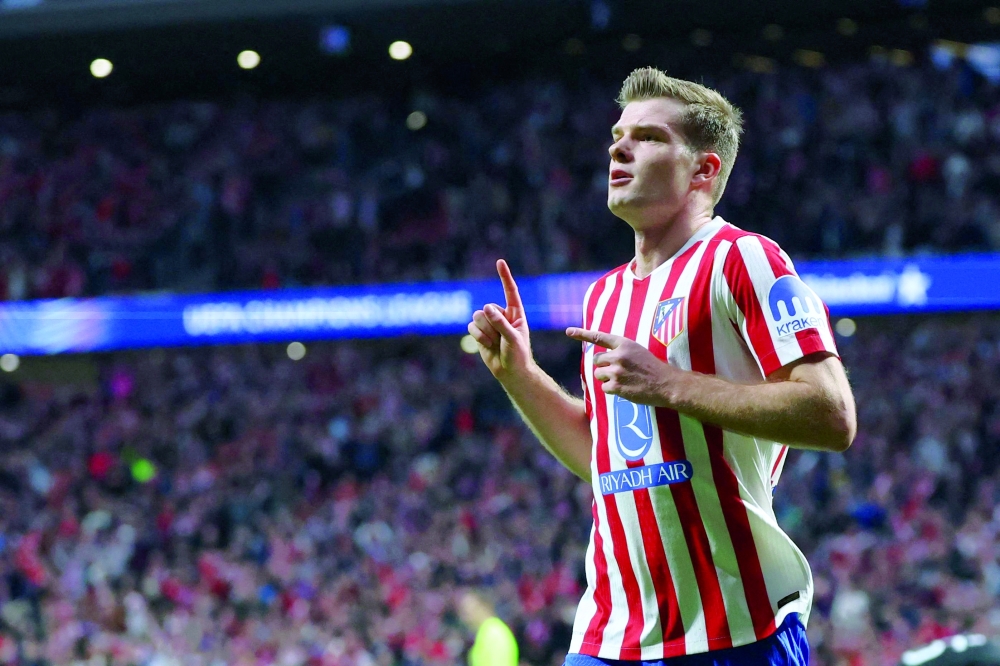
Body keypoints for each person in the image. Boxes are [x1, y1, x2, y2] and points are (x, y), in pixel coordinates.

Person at [466, 67, 856, 666]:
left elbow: (831, 414)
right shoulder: (605, 297)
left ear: (703, 169)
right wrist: (518, 374)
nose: (619, 147)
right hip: (610, 637)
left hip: (735, 631)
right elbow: (605, 461)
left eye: (647, 136)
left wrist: (670, 384)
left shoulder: (744, 259)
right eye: (617, 135)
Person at [456, 589, 520, 666]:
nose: (465, 617)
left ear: (484, 606)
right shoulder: (485, 632)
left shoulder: (495, 632)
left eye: (468, 611)